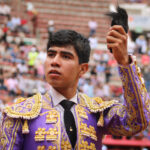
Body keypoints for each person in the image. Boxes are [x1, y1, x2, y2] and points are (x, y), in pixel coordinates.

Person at [0, 27, 150, 150]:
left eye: (66, 56)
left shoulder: (97, 112)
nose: (55, 62)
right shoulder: (20, 114)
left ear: (83, 69)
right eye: (51, 55)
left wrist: (125, 63)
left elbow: (138, 121)